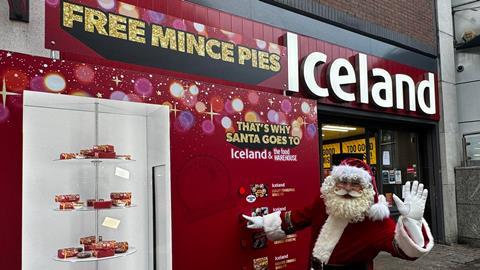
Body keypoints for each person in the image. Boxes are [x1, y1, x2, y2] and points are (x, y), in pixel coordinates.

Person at [243, 158, 433, 270]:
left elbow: (401, 249)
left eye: (355, 183)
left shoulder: (375, 218)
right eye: (343, 181)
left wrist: (412, 223)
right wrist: (263, 221)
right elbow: (298, 217)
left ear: (366, 188)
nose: (348, 188)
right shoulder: (324, 202)